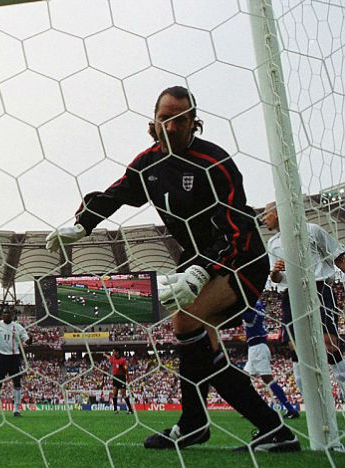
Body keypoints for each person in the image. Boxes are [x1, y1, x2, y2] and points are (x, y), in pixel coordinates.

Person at [46, 86, 298, 452]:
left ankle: (204, 424)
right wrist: (83, 224)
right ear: (153, 122)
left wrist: (202, 271)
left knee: (188, 320)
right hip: (197, 261)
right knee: (191, 331)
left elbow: (237, 229)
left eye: (181, 118)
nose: (172, 125)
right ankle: (245, 427)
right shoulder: (148, 163)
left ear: (195, 123)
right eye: (165, 117)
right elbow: (118, 193)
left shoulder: (215, 163)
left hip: (241, 259)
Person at [261, 201, 345, 398]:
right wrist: (275, 272)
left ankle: (343, 388)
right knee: (296, 345)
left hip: (319, 288)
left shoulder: (312, 230)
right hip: (291, 294)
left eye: (266, 214)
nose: (264, 219)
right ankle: (312, 398)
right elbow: (277, 279)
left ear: (278, 212)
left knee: (328, 343)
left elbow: (338, 257)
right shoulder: (273, 243)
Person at [241, 299, 299, 418]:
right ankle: (253, 408)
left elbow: (241, 316)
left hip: (257, 348)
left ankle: (291, 410)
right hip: (256, 348)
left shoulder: (250, 311)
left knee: (268, 380)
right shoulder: (259, 304)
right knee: (244, 378)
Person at [0, 307, 30, 416]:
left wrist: (30, 339)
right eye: (4, 313)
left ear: (12, 315)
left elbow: (27, 341)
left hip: (14, 357)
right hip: (1, 356)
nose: (6, 315)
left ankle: (16, 410)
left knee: (17, 384)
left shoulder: (18, 327)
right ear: (1, 315)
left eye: (8, 313)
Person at [107, 349, 134, 414]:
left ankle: (130, 409)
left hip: (121, 377)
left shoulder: (122, 360)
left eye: (114, 352)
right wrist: (105, 355)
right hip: (115, 377)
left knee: (123, 394)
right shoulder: (113, 358)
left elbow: (126, 369)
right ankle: (115, 410)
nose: (113, 353)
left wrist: (127, 378)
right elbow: (109, 358)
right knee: (114, 393)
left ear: (117, 352)